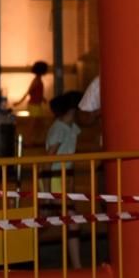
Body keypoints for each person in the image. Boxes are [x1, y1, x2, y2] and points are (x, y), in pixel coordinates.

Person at [44, 91, 84, 268]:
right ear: (74, 110)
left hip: (63, 179)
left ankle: (76, 266)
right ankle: (76, 267)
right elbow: (47, 162)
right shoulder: (59, 129)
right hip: (53, 179)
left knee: (68, 222)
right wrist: (45, 193)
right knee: (68, 222)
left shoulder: (72, 128)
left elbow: (70, 160)